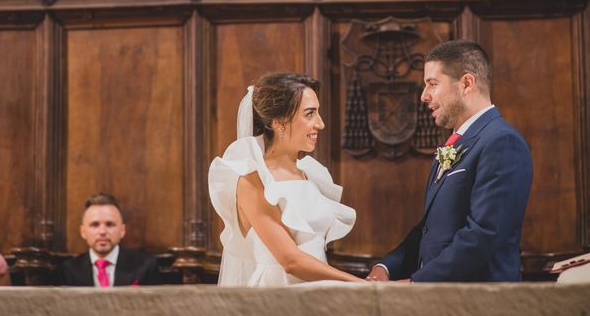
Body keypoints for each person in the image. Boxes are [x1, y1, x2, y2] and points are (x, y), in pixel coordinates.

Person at [367, 40, 532, 282]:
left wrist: (415, 283)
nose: (424, 96)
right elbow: (430, 229)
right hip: (444, 298)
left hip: (480, 301)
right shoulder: (455, 143)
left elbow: (482, 235)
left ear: (466, 83)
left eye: (432, 84)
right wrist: (386, 267)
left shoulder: (502, 142)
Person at [209, 72, 362, 286]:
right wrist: (362, 284)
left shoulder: (311, 174)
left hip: (318, 292)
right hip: (278, 294)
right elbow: (291, 261)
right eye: (309, 114)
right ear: (279, 122)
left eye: (318, 113)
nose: (320, 124)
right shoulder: (253, 180)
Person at [58, 193, 161, 286]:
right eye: (95, 225)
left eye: (110, 224)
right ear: (83, 231)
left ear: (122, 230)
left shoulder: (145, 266)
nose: (102, 231)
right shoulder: (68, 270)